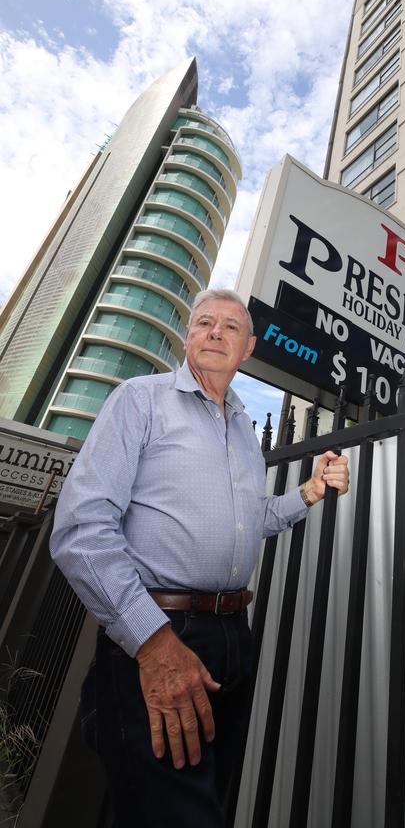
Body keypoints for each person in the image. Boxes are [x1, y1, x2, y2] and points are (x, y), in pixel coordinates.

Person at [50, 288, 349, 828]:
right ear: (189, 337)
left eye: (230, 327)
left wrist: (308, 493)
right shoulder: (140, 399)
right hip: (161, 634)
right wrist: (154, 642)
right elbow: (81, 530)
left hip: (233, 636)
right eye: (204, 323)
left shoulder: (241, 428)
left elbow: (249, 519)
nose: (215, 332)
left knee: (193, 802)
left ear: (249, 346)